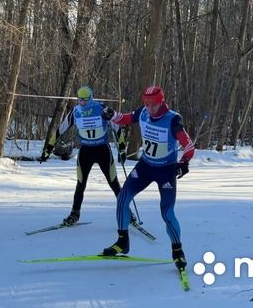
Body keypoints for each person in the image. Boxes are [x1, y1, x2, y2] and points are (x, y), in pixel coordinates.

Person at [100, 86, 195, 271]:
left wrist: (184, 162)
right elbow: (124, 119)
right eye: (146, 104)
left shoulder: (173, 119)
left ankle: (177, 251)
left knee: (167, 213)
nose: (149, 109)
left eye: (153, 105)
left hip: (166, 170)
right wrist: (111, 114)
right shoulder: (143, 112)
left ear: (161, 102)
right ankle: (122, 242)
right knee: (122, 199)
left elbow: (188, 145)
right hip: (145, 166)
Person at [40, 86, 131, 226]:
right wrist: (48, 149)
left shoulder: (102, 109)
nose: (82, 103)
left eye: (85, 100)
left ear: (91, 98)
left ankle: (126, 212)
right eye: (80, 100)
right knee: (80, 184)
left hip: (102, 150)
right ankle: (74, 214)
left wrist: (122, 149)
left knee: (114, 183)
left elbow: (117, 127)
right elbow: (60, 130)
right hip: (86, 151)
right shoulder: (75, 112)